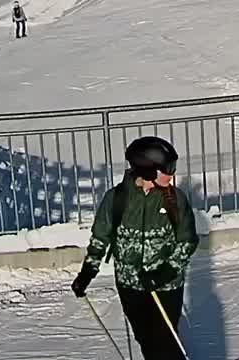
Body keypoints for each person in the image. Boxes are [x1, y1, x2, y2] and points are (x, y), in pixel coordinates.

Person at [72, 137, 200, 360]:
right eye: (167, 169)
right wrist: (87, 273)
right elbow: (100, 238)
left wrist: (166, 272)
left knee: (166, 343)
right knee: (146, 341)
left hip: (166, 287)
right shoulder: (116, 199)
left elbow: (187, 241)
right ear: (148, 170)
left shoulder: (174, 199)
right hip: (129, 285)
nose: (172, 174)